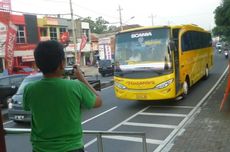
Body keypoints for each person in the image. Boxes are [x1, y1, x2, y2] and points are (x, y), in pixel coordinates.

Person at [23, 40, 102, 152]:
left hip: (40, 149)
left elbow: (26, 107)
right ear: (62, 63)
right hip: (72, 148)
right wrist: (83, 79)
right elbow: (98, 101)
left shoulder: (29, 89)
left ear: (37, 65)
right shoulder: (75, 86)